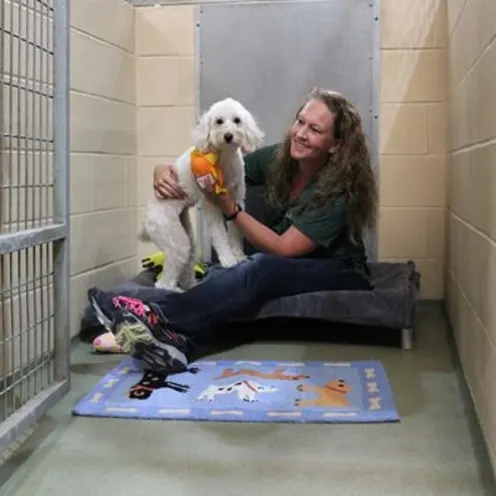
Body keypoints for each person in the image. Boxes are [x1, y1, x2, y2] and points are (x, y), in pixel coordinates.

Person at [88, 87, 378, 374]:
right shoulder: (280, 158)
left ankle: (153, 317)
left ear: (336, 144)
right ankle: (177, 346)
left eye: (314, 129)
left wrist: (230, 208)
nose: (300, 133)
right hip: (288, 262)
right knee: (234, 279)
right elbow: (218, 160)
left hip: (337, 268)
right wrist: (162, 170)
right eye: (300, 122)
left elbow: (285, 249)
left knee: (261, 268)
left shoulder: (341, 189)